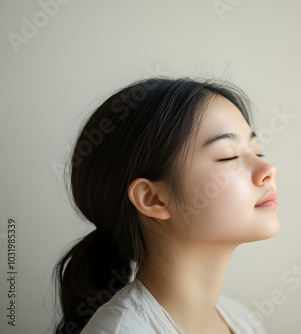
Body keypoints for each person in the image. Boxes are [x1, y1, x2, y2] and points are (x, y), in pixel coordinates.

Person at [52, 76, 280, 334]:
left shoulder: (244, 321)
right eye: (228, 155)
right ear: (153, 199)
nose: (267, 168)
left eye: (257, 151)